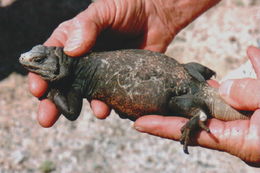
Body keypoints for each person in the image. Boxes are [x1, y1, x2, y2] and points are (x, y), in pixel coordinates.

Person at [27, 0, 260, 166]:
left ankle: (198, 115)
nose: (29, 62)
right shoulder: (87, 63)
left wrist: (55, 91)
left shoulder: (78, 75)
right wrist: (155, 7)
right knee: (190, 81)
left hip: (184, 95)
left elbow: (70, 111)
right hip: (188, 75)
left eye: (38, 61)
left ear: (57, 64)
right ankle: (201, 99)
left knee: (184, 101)